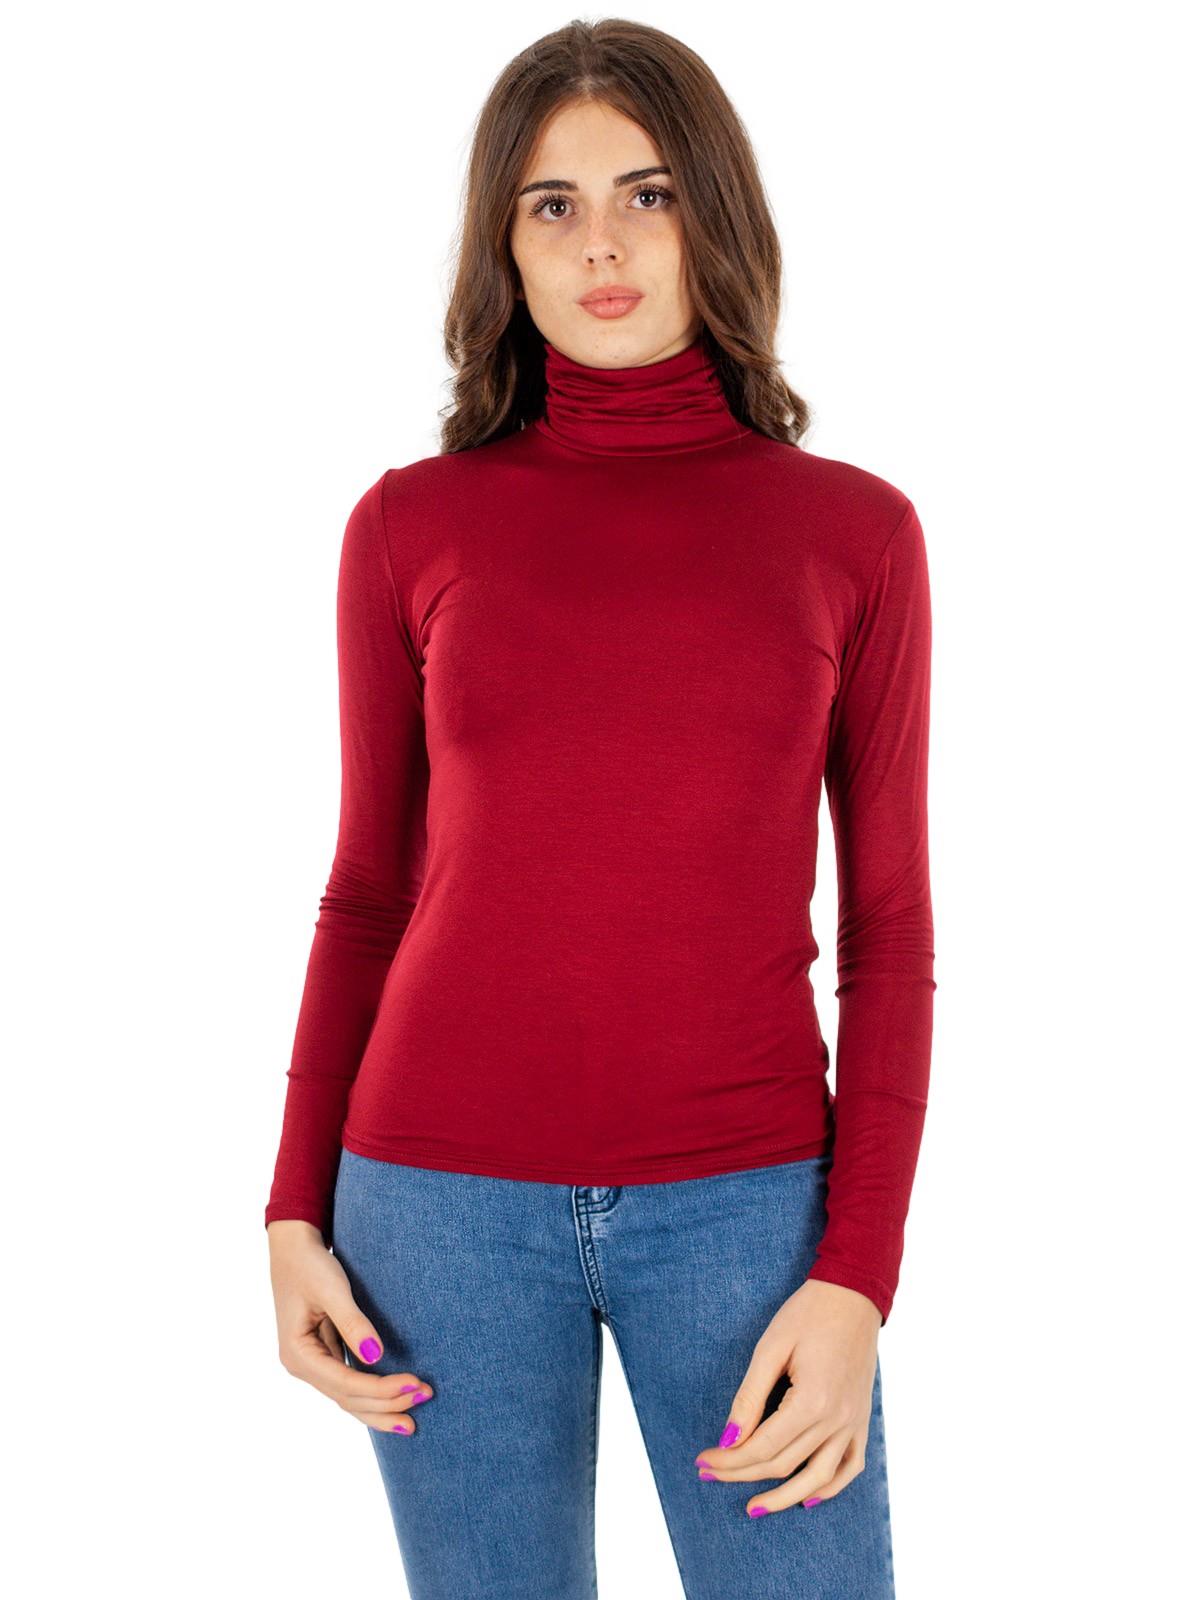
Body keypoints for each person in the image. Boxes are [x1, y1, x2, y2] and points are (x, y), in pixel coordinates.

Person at [265, 19, 935, 1599]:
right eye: (551, 205)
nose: (603, 245)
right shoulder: (409, 527)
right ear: (503, 244)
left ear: (716, 213)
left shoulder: (856, 536)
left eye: (648, 193)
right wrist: (293, 1210)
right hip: (434, 1209)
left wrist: (859, 1277)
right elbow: (369, 891)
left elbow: (891, 932)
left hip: (748, 1211)